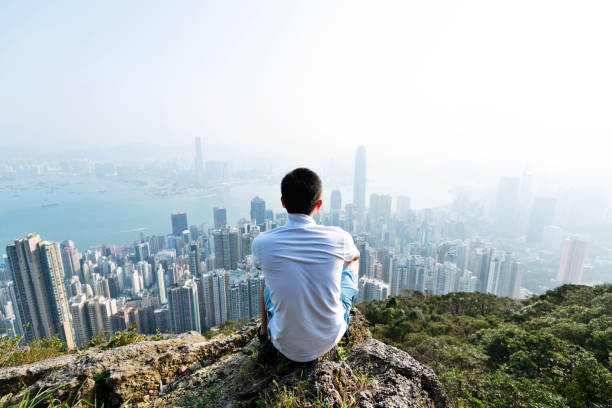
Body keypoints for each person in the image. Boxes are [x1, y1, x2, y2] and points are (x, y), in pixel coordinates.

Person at [251, 168, 360, 362]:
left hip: (283, 343)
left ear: (283, 203)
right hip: (329, 338)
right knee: (350, 264)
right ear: (319, 205)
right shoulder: (339, 237)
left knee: (268, 276)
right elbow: (355, 256)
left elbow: (261, 267)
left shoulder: (262, 243)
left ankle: (263, 330)